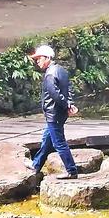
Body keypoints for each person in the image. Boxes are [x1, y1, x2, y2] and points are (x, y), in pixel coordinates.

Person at [29, 44, 79, 180]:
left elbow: (54, 94)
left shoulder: (50, 74)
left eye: (39, 59)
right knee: (47, 140)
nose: (37, 62)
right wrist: (69, 104)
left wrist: (67, 105)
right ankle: (36, 165)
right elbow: (68, 89)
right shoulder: (61, 70)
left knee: (59, 143)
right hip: (58, 114)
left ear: (47, 58)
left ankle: (71, 171)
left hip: (54, 114)